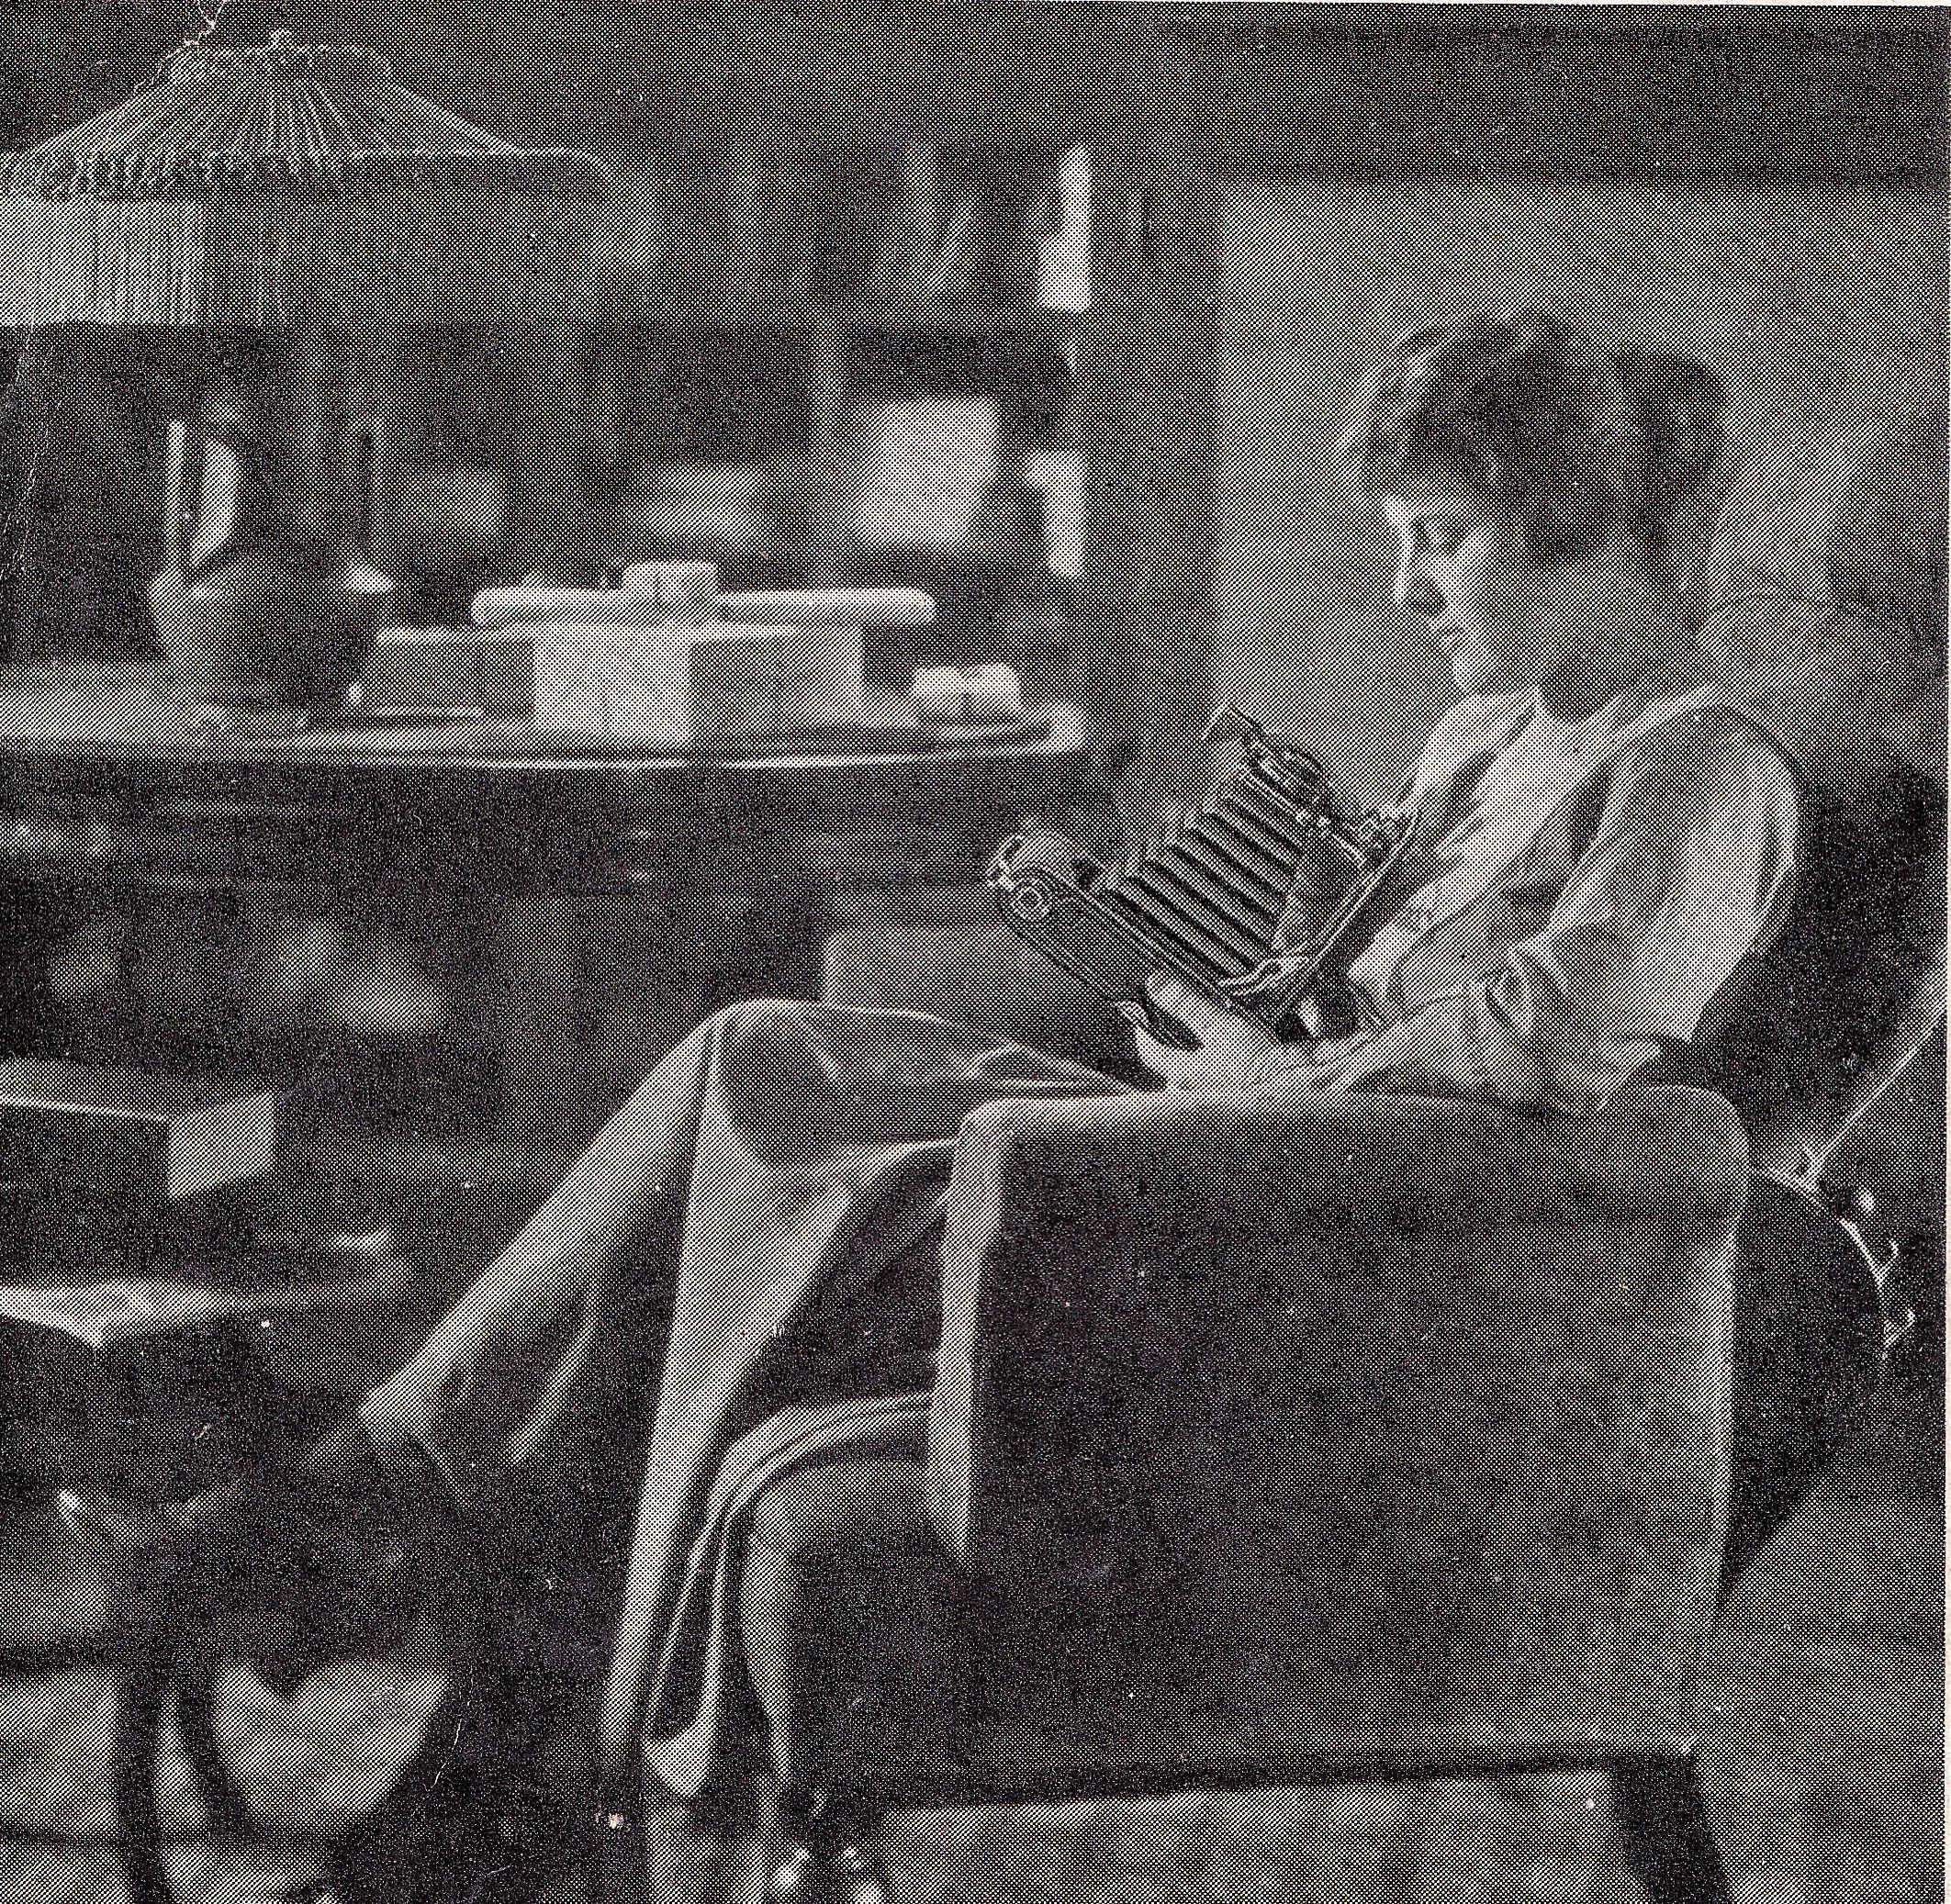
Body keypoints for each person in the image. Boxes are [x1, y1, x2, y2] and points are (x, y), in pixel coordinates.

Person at [84, 311, 1894, 1887]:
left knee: (704, 1247)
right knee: (759, 1055)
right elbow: (1377, 977)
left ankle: (364, 1572)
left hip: (1314, 1280)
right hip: (1219, 1169)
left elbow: (1565, 1049)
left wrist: (1284, 1077)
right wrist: (1231, 966)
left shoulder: (1701, 770)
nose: (1410, 589)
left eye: (1446, 540)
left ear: (1572, 532)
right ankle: (411, 1629)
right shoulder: (1488, 734)